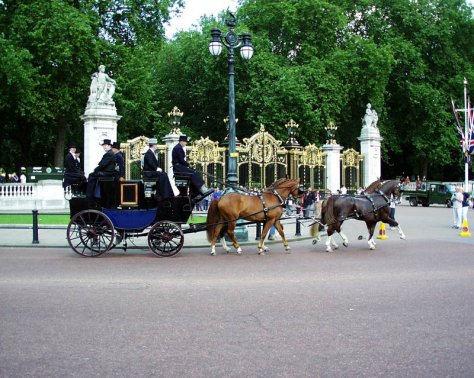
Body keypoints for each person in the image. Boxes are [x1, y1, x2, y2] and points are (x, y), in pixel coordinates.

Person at [172, 135, 213, 201]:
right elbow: (181, 160)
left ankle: (195, 191)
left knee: (193, 173)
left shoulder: (178, 147)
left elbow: (181, 160)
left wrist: (187, 165)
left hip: (179, 167)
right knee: (194, 173)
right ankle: (201, 189)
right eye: (185, 142)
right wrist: (188, 164)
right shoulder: (178, 148)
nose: (186, 143)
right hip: (179, 168)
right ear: (181, 141)